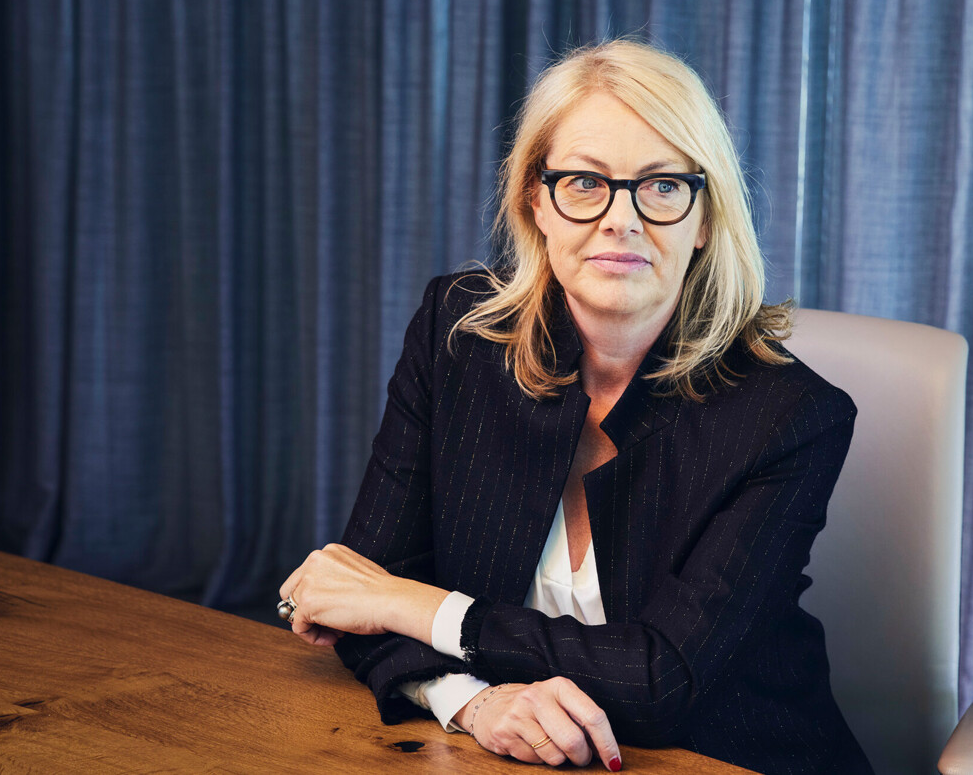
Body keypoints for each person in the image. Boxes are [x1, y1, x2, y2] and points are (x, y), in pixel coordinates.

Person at [277, 39, 873, 775]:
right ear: (537, 201)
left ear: (705, 220)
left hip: (726, 757)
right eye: (586, 182)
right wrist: (471, 701)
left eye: (662, 185)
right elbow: (359, 593)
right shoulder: (457, 336)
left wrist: (416, 606)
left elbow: (662, 680)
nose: (621, 219)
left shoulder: (789, 417)